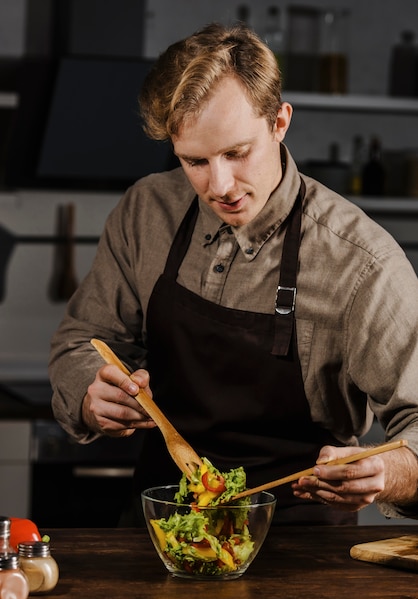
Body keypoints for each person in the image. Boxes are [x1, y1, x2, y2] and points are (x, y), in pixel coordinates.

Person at [49, 22, 418, 526]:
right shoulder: (146, 211)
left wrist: (386, 469)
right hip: (159, 533)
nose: (219, 185)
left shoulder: (362, 262)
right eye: (194, 161)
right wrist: (93, 394)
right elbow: (81, 341)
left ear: (280, 123)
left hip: (301, 551)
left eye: (236, 154)